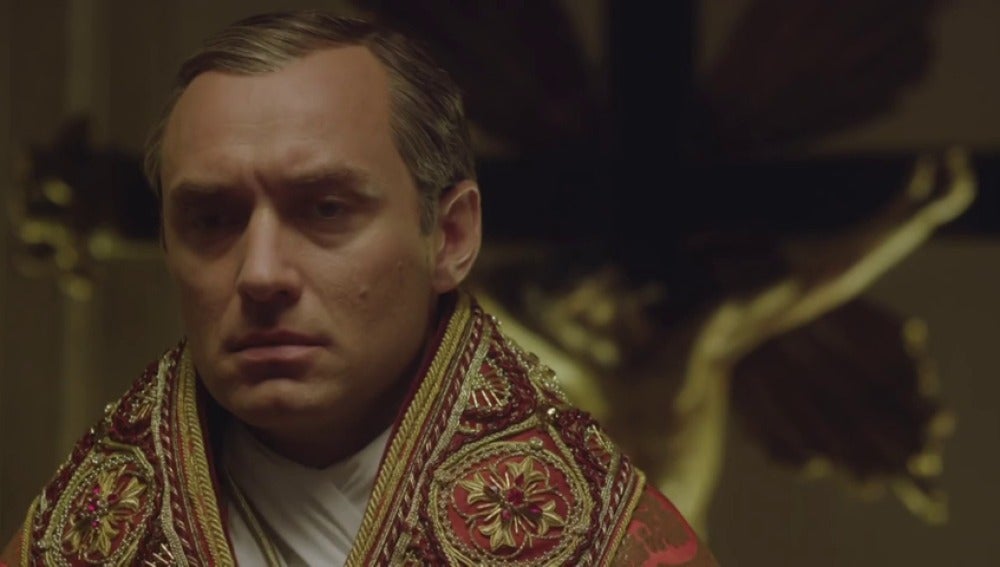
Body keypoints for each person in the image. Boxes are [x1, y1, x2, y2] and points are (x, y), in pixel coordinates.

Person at [1, 11, 716, 566]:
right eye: (212, 220)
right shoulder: (72, 546)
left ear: (452, 237)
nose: (260, 273)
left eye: (326, 210)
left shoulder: (613, 548)